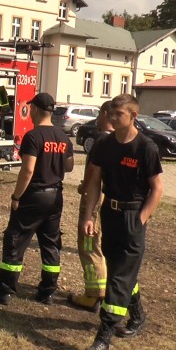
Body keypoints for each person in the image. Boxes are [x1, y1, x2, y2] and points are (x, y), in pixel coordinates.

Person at [79, 94, 163, 350]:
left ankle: (103, 337)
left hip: (131, 216)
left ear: (133, 115)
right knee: (119, 272)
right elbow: (94, 183)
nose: (113, 119)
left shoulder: (145, 148)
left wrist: (140, 219)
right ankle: (137, 316)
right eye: (110, 114)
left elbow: (157, 189)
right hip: (109, 214)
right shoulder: (104, 143)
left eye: (119, 115)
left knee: (117, 280)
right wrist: (89, 215)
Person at [0, 92, 74, 306]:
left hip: (34, 196)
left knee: (15, 239)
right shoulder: (63, 137)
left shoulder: (33, 136)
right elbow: (68, 167)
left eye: (30, 108)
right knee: (50, 244)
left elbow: (28, 170)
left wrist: (16, 196)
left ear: (35, 109)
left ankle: (4, 290)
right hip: (55, 197)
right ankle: (47, 292)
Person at [68, 100, 114, 311]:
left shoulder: (101, 142)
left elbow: (93, 173)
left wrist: (84, 188)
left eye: (99, 114)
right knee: (100, 245)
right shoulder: (118, 142)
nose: (96, 119)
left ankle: (94, 295)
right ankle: (102, 290)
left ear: (106, 114)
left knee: (89, 244)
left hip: (95, 198)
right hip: (109, 199)